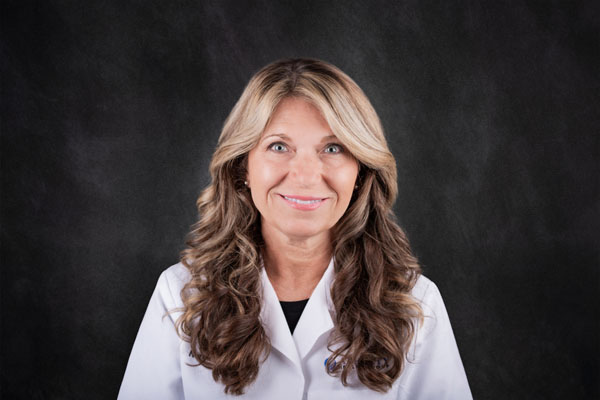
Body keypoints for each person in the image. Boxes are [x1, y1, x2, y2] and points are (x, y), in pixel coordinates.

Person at [118, 58, 472, 399]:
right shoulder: (181, 296)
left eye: (333, 148)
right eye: (278, 146)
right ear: (243, 166)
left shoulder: (415, 304)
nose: (304, 176)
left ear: (361, 170)